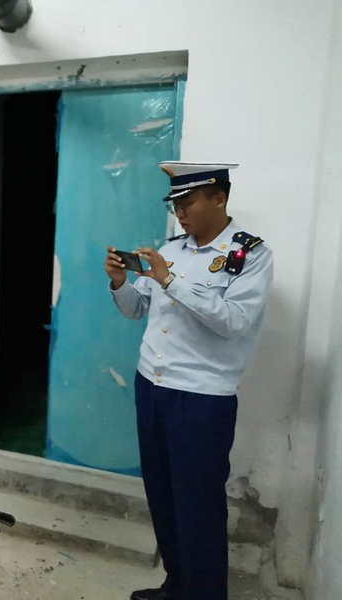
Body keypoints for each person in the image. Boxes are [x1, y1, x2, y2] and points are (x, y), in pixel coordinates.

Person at [104, 162, 274, 600]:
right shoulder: (172, 249)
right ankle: (177, 585)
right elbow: (137, 310)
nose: (179, 212)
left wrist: (168, 279)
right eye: (175, 204)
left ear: (219, 198)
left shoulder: (250, 255)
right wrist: (121, 283)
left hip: (201, 398)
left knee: (199, 504)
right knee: (162, 495)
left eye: (188, 202)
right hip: (151, 386)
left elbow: (234, 321)